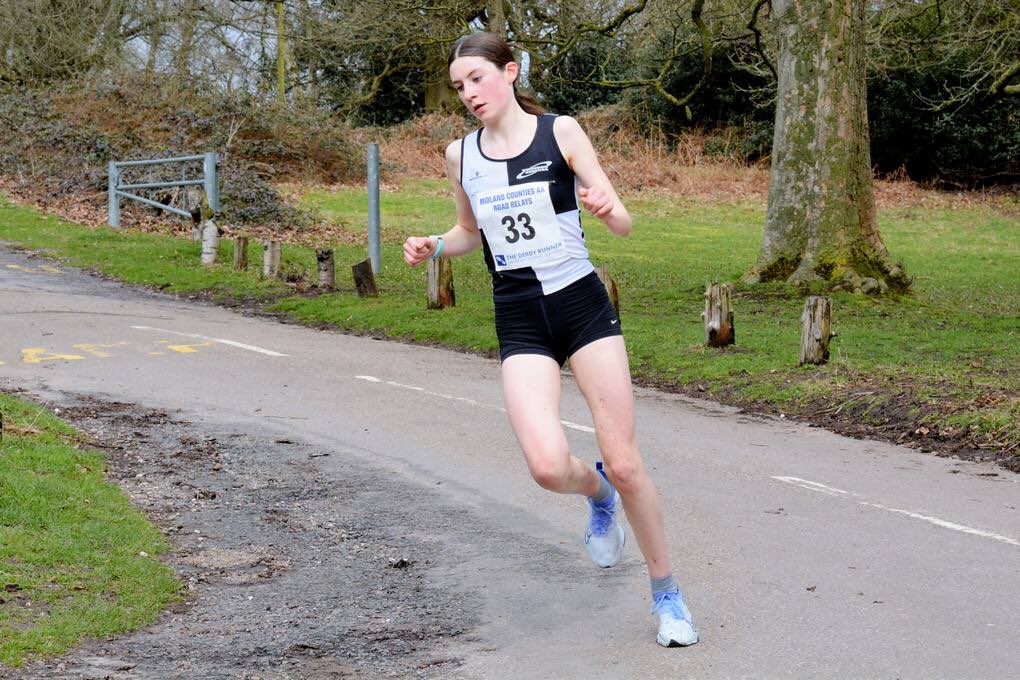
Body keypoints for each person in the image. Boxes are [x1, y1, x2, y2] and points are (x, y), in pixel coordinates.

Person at [403, 31, 698, 648]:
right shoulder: (461, 156)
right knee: (544, 466)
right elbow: (468, 232)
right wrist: (434, 244)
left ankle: (667, 594)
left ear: (509, 73)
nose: (469, 94)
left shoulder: (560, 133)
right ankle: (597, 494)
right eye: (459, 87)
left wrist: (606, 206)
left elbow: (621, 222)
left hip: (581, 307)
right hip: (518, 314)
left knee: (626, 457)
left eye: (477, 79)